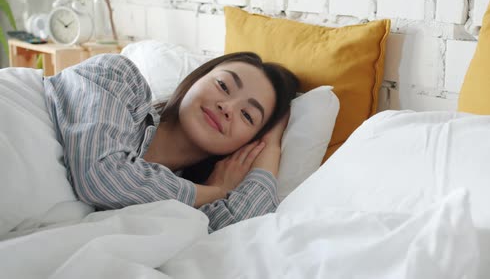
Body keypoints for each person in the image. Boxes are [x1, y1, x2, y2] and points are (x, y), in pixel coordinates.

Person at [43, 51, 299, 232]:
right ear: (196, 78)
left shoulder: (181, 202)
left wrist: (271, 143)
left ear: (247, 143)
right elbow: (101, 176)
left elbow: (236, 230)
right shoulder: (119, 79)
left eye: (247, 115)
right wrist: (216, 191)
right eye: (223, 85)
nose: (227, 107)